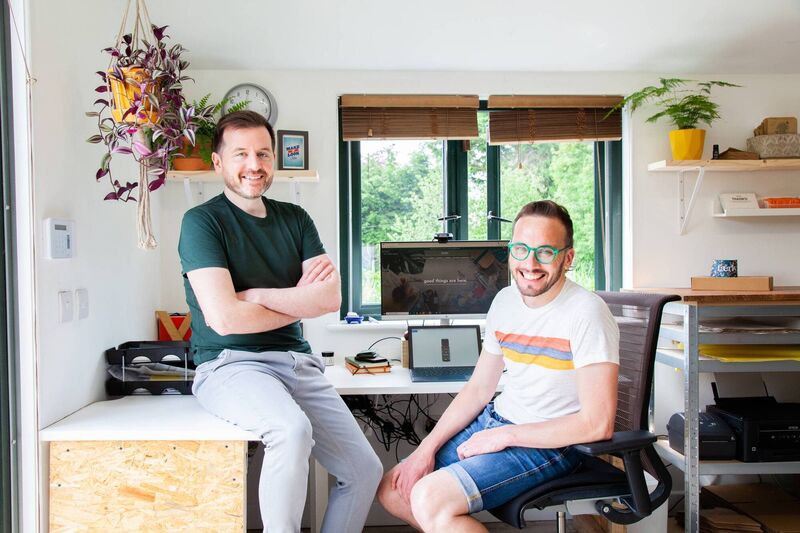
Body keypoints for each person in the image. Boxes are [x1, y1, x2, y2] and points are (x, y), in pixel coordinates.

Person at [178, 110, 382, 533]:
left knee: (364, 470)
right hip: (230, 364)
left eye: (263, 154)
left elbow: (329, 298)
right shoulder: (202, 222)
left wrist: (256, 296)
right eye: (241, 154)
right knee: (291, 431)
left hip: (298, 363)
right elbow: (224, 319)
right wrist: (299, 300)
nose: (254, 165)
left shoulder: (296, 218)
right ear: (218, 162)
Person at [377, 200, 620, 532]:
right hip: (497, 423)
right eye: (521, 249)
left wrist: (504, 436)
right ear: (510, 253)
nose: (530, 263)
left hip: (551, 444)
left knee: (429, 498)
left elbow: (597, 424)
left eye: (545, 252)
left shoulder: (587, 312)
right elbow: (479, 389)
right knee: (394, 488)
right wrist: (425, 449)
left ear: (568, 258)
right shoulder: (505, 301)